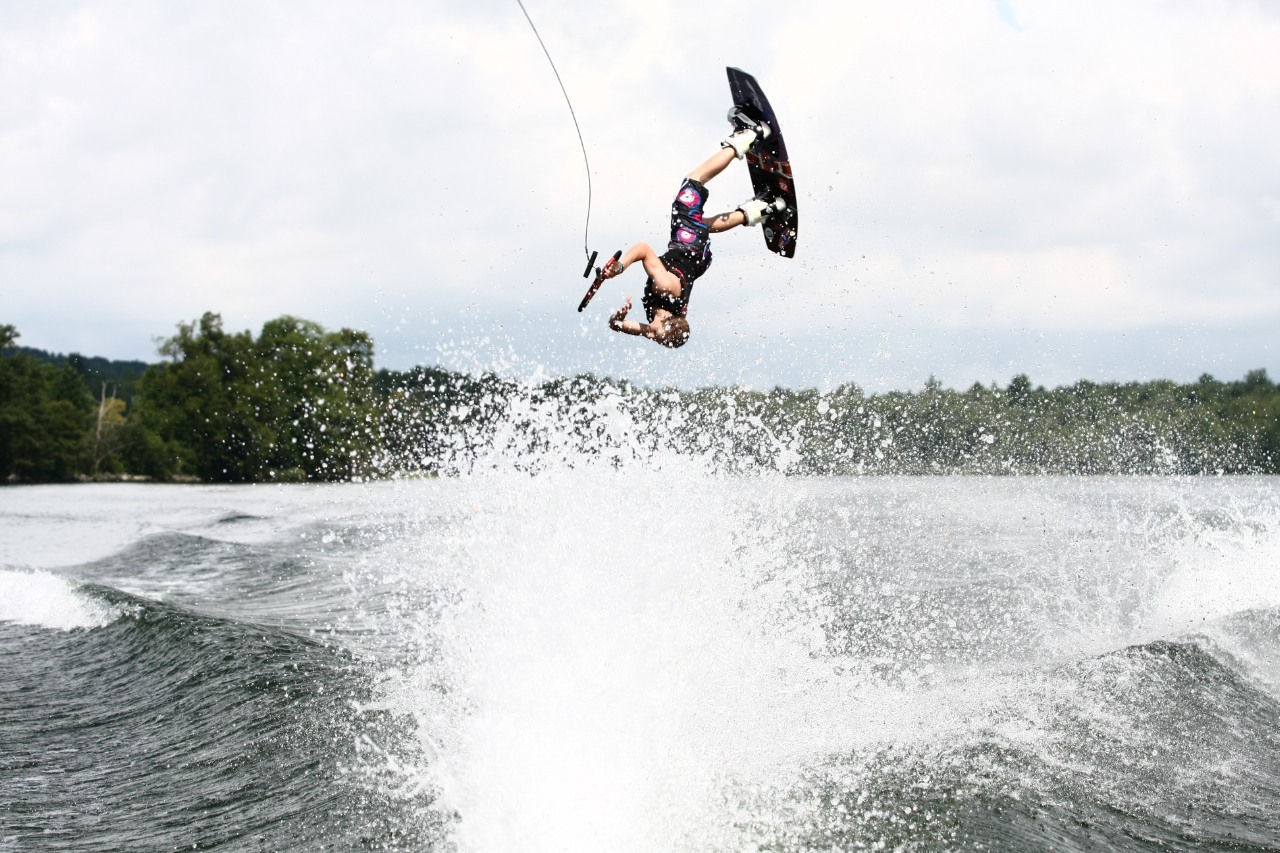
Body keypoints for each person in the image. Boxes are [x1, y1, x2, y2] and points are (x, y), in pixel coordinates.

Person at [601, 111, 788, 348]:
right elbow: (643, 249)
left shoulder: (664, 319)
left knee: (702, 224)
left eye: (654, 339)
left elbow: (615, 326)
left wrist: (619, 317)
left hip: (697, 256)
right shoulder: (664, 288)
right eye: (655, 335)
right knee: (693, 181)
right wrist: (619, 267)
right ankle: (750, 135)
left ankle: (763, 209)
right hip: (686, 244)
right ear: (668, 321)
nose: (649, 335)